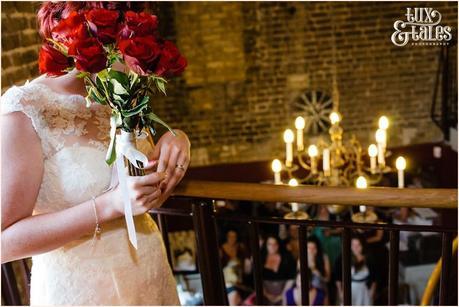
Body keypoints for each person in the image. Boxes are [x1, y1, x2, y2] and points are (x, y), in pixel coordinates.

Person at [1, 2, 191, 305]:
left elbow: (137, 176)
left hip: (148, 273)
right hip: (81, 290)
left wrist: (175, 138)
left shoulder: (118, 91)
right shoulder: (25, 109)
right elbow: (4, 241)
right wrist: (109, 205)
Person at [336, 236, 376, 306]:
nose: (355, 248)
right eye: (353, 245)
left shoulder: (368, 258)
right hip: (349, 288)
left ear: (362, 245)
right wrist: (340, 291)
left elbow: (375, 277)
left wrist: (372, 291)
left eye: (358, 245)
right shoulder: (344, 257)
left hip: (364, 289)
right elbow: (338, 276)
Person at [261, 235, 297, 304]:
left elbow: (291, 278)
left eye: (275, 244)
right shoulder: (260, 258)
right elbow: (256, 278)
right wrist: (266, 294)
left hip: (284, 292)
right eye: (269, 244)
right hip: (264, 293)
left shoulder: (287, 257)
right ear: (266, 245)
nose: (272, 247)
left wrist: (282, 295)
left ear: (279, 245)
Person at [220, 228, 250, 305]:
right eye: (230, 236)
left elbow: (247, 267)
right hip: (226, 282)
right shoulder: (221, 249)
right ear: (226, 237)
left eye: (234, 236)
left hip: (240, 281)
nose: (232, 238)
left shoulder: (240, 247)